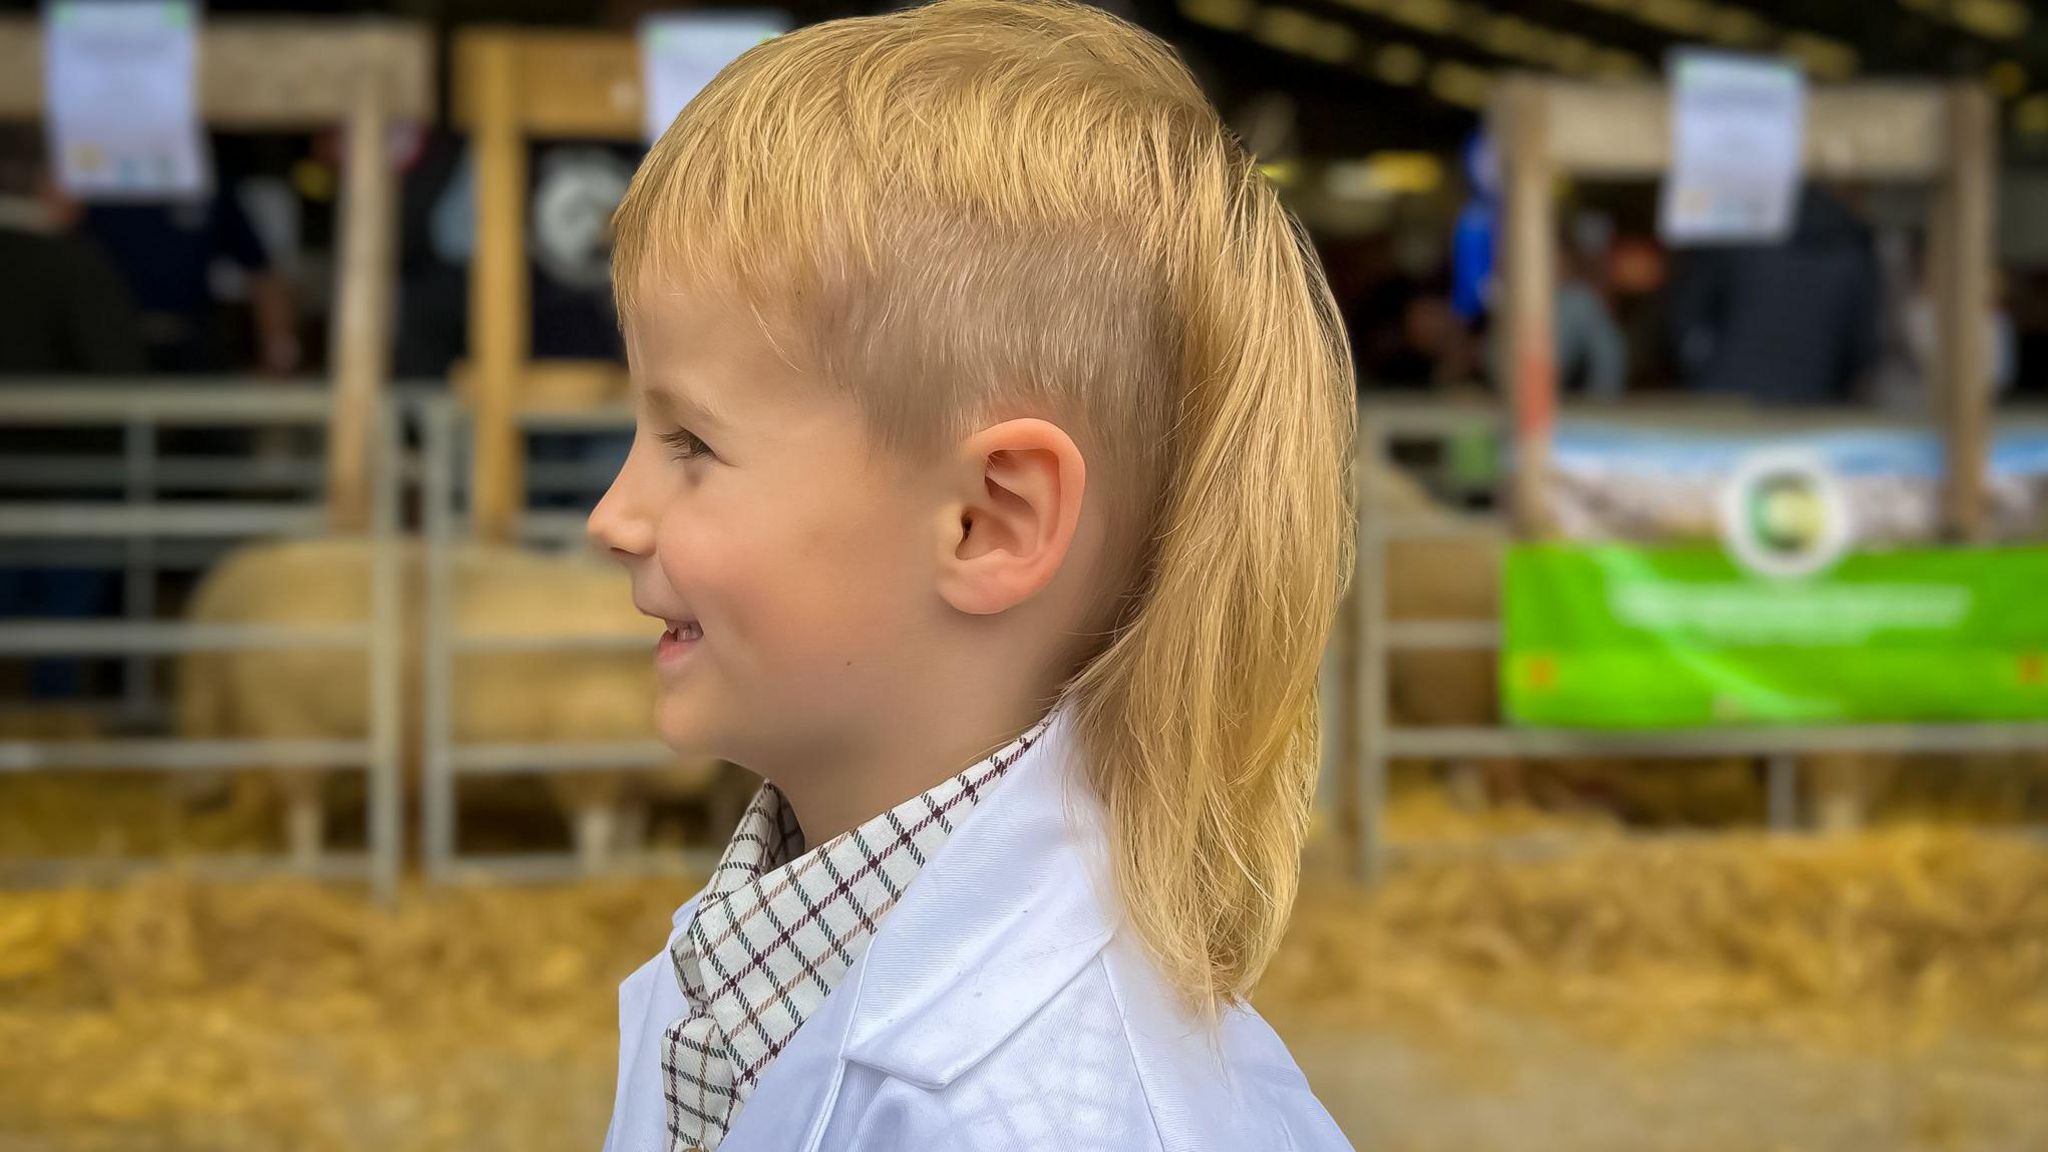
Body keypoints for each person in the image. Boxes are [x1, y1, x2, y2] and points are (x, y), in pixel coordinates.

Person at [584, 2, 1355, 1149]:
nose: (613, 516)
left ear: (988, 520)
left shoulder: (1052, 1118)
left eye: (691, 444)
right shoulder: (765, 949)